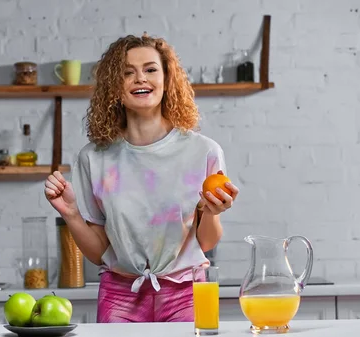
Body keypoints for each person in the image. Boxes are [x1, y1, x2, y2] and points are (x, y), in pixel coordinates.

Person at [44, 34, 239, 323]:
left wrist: (211, 213)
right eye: (127, 72)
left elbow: (206, 242)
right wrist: (72, 215)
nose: (140, 79)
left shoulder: (204, 152)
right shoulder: (93, 158)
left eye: (150, 69)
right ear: (114, 85)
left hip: (187, 292)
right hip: (119, 295)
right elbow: (99, 254)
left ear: (166, 78)